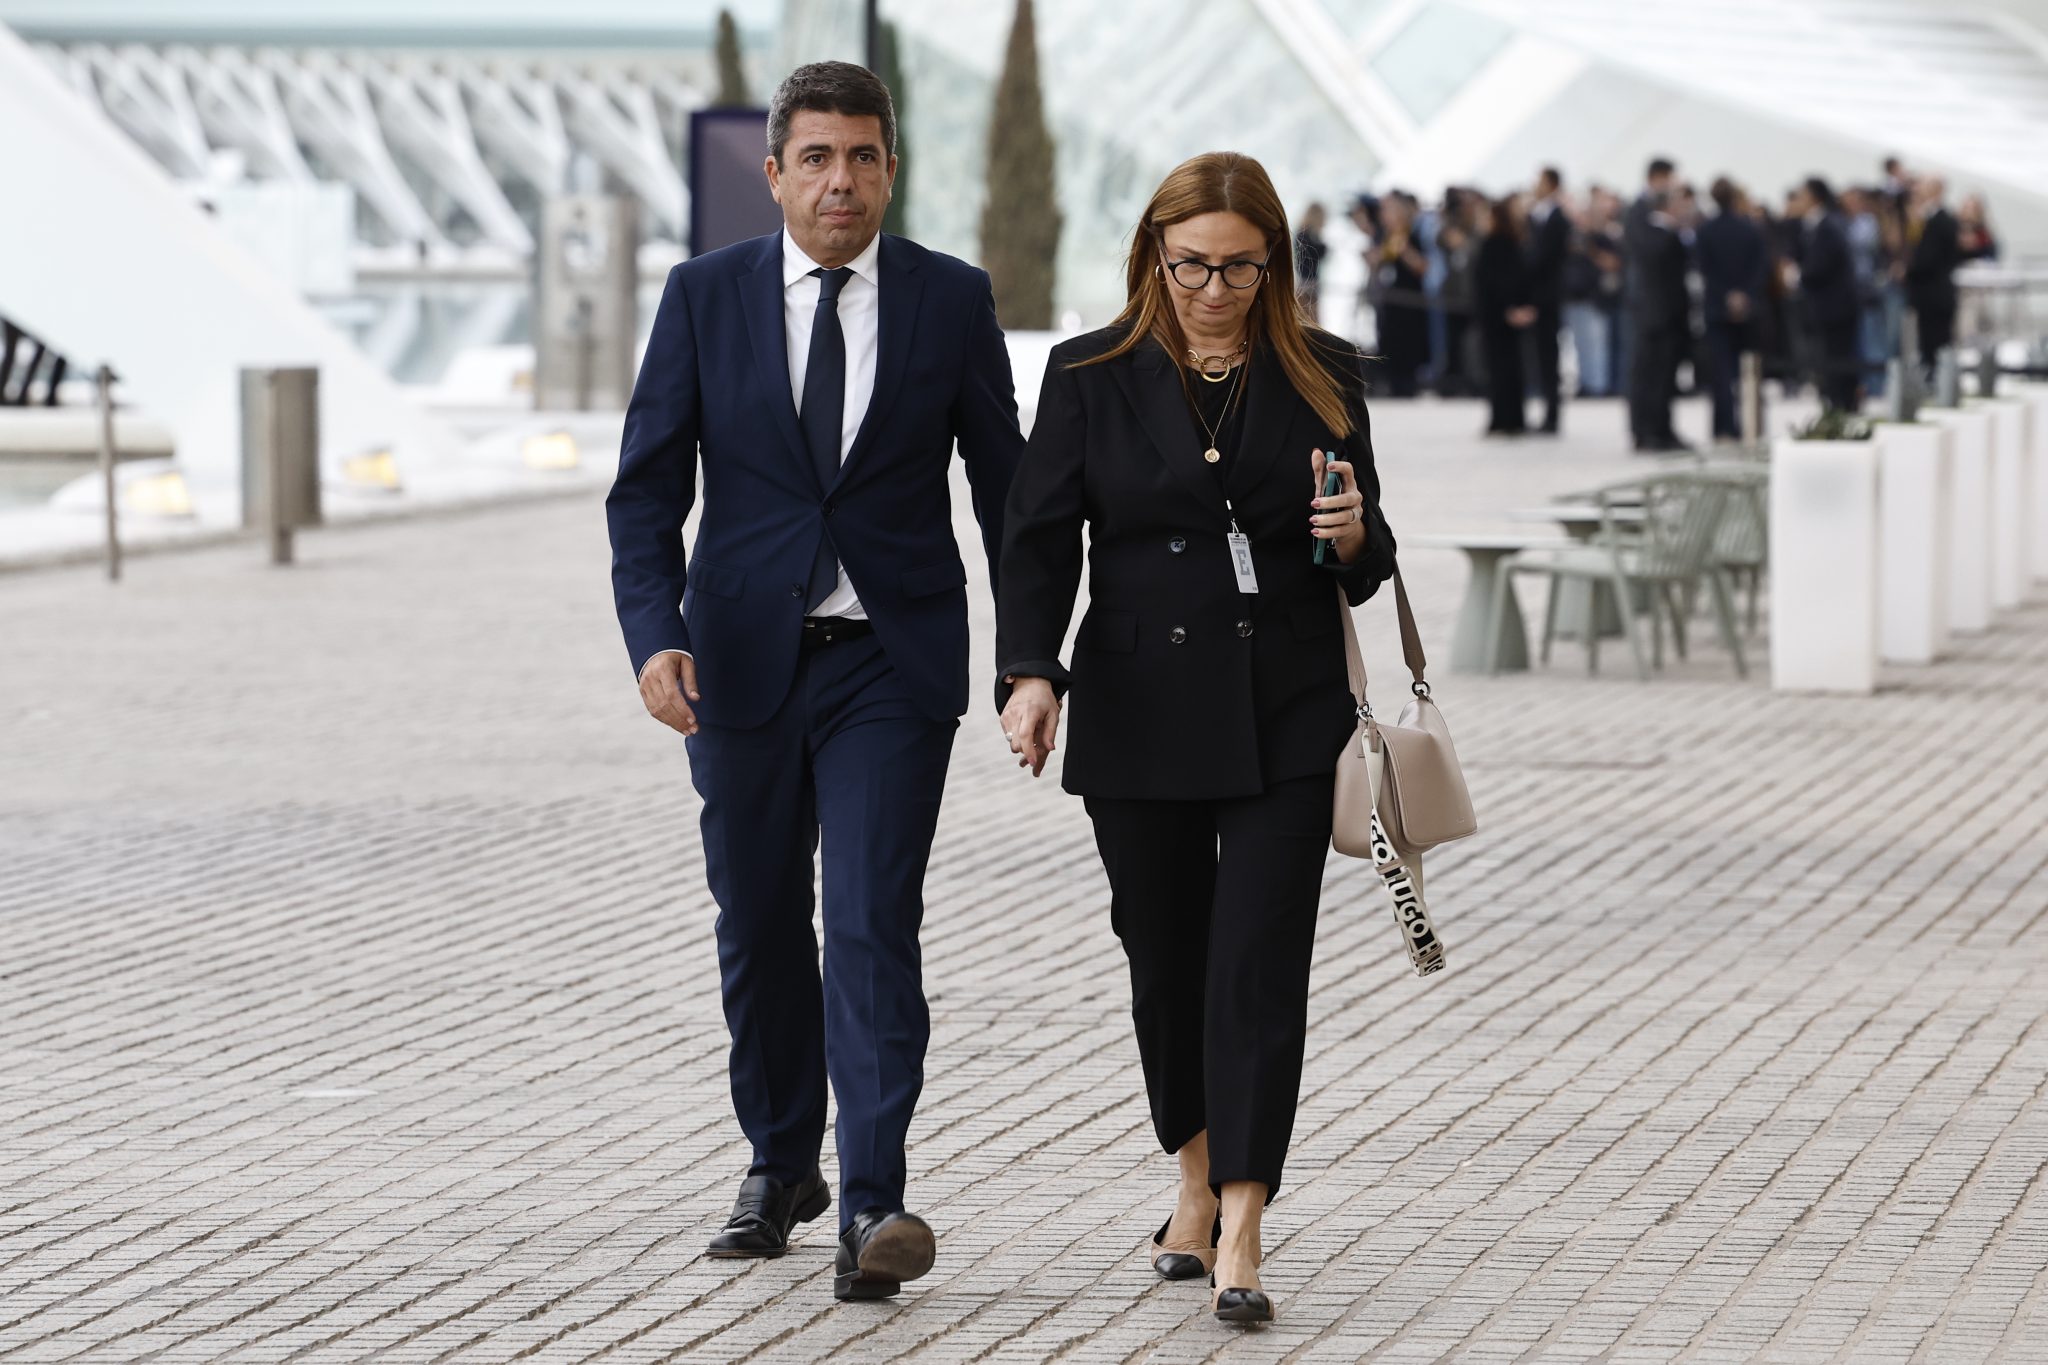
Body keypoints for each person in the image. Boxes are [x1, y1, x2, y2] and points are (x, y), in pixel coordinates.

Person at [605, 61, 1023, 1302]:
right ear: (775, 172)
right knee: (758, 924)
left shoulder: (950, 299)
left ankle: (872, 1201)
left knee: (869, 922)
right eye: (817, 158)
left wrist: (1029, 658)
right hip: (736, 667)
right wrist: (652, 635)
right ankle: (781, 1161)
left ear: (890, 169)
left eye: (863, 157)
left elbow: (1005, 494)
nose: (841, 180)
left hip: (888, 665)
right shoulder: (703, 296)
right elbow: (644, 492)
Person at [994, 150, 1395, 1327]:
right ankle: (1192, 1176)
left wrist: (1351, 535)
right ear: (1151, 258)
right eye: (1190, 267)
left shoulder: (1322, 371)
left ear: (1273, 264)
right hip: (1140, 706)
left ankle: (1244, 1222)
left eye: (1237, 268)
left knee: (1256, 965)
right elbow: (1038, 537)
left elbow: (1365, 562)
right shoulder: (1089, 371)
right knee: (1163, 959)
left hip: (1284, 708)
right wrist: (1031, 673)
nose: (1213, 290)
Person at [1696, 178, 1768, 443]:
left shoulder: (1706, 230)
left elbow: (1705, 271)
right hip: (1748, 309)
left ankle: (1724, 427)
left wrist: (1727, 296)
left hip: (1718, 308)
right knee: (1750, 372)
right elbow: (1760, 267)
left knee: (1721, 372)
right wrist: (1744, 295)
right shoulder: (1750, 228)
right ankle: (1751, 424)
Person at [1790, 176, 1861, 411]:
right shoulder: (1815, 224)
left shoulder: (1828, 226)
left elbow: (1821, 265)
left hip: (1836, 306)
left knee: (1839, 357)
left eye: (1802, 195)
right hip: (1827, 305)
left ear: (1814, 197)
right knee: (1831, 356)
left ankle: (1843, 405)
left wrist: (1797, 276)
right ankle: (1836, 402)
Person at [1475, 194, 1534, 436]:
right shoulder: (1510, 242)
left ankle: (1505, 418)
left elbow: (1498, 282)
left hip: (1499, 316)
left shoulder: (1496, 244)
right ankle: (1510, 418)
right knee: (1508, 368)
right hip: (1503, 315)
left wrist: (1510, 308)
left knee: (1502, 370)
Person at [1367, 191, 1430, 396]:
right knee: (1388, 340)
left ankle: (1407, 383)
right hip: (1388, 301)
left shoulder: (1414, 235)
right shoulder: (1383, 237)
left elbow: (1423, 267)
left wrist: (1405, 251)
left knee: (1408, 342)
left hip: (1410, 301)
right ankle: (1390, 381)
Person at [1526, 166, 1571, 433]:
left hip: (1548, 298)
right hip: (1538, 296)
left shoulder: (1557, 219)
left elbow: (1542, 257)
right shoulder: (1537, 215)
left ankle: (1552, 414)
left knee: (1549, 355)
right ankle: (1547, 411)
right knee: (1541, 356)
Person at [1905, 176, 1962, 369]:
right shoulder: (1926, 219)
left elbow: (1928, 259)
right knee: (1927, 342)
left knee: (1938, 343)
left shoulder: (1941, 221)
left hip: (1936, 294)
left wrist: (1908, 270)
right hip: (1928, 295)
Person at [1294, 201, 1328, 316]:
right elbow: (1317, 253)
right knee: (1310, 318)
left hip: (1306, 282)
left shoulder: (1304, 234)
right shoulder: (1305, 236)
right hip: (1307, 283)